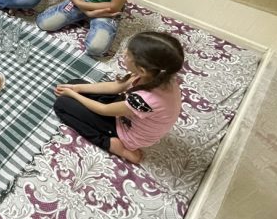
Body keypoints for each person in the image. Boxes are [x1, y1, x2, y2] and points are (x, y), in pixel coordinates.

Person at [53, 31, 184, 164]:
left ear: (142, 69)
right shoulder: (157, 76)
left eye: (128, 54)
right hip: (127, 111)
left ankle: (116, 147)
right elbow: (117, 86)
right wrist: (78, 89)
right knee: (75, 83)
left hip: (125, 133)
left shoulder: (144, 100)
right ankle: (77, 90)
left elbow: (103, 109)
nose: (124, 53)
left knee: (62, 104)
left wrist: (73, 94)